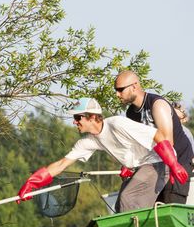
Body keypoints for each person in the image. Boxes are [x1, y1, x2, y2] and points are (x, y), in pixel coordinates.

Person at [17, 98, 188, 213]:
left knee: (128, 197)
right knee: (122, 202)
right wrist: (32, 183)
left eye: (78, 118)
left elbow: (158, 136)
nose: (74, 122)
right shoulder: (88, 142)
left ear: (92, 117)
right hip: (143, 166)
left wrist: (173, 164)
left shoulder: (117, 123)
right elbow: (61, 164)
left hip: (160, 162)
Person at [114, 70, 193, 204]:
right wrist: (128, 164)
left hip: (177, 161)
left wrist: (172, 166)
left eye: (120, 90)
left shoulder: (157, 105)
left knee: (169, 206)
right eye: (116, 90)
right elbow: (137, 144)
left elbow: (168, 143)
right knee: (136, 200)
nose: (117, 94)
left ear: (134, 86)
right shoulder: (131, 114)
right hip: (156, 162)